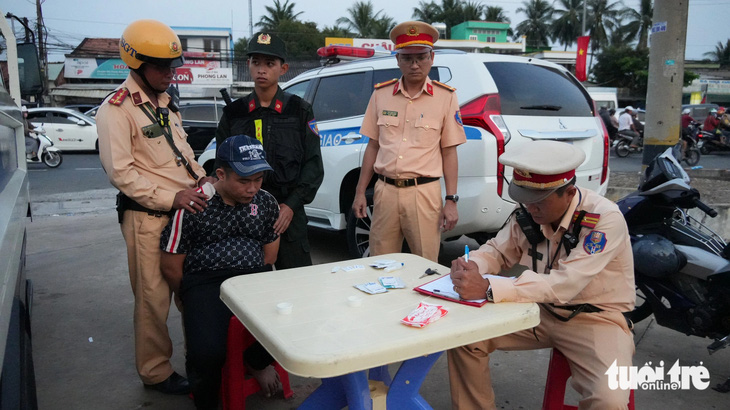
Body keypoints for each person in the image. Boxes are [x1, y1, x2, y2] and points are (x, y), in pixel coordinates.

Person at [447, 140, 635, 410]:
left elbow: (566, 284)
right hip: (542, 311)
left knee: (609, 399)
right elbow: (497, 251)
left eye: (538, 202)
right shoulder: (529, 213)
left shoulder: (603, 219)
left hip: (596, 318)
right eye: (525, 200)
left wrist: (488, 288)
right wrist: (472, 265)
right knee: (464, 339)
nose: (530, 209)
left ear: (569, 193)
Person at [96, 19, 215, 395]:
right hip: (147, 218)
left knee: (191, 291)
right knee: (153, 298)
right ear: (136, 64)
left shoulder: (165, 104)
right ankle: (156, 372)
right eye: (161, 68)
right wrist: (171, 197)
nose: (169, 74)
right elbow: (121, 172)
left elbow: (182, 154)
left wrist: (201, 178)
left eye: (172, 67)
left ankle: (200, 360)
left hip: (185, 216)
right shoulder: (117, 110)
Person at [160, 135, 281, 409]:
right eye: (243, 180)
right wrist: (188, 296)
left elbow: (270, 252)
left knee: (292, 322)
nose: (252, 188)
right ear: (221, 174)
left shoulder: (265, 203)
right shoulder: (194, 205)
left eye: (258, 179)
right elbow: (171, 262)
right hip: (206, 283)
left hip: (253, 278)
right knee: (206, 353)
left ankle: (256, 361)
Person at [352, 21, 467, 262]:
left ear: (432, 57)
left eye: (421, 57)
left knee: (425, 265)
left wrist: (451, 201)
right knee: (380, 264)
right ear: (397, 60)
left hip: (423, 193)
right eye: (407, 58)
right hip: (385, 193)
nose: (414, 65)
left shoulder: (446, 98)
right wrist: (360, 191)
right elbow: (373, 146)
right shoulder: (381, 95)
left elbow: (449, 152)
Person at [215, 32, 323, 270]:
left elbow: (313, 166)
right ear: (248, 66)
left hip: (288, 212)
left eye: (269, 64)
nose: (261, 69)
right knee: (248, 284)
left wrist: (291, 206)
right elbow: (219, 166)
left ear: (283, 68)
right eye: (256, 63)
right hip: (243, 213)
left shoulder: (299, 111)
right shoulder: (235, 113)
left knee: (297, 283)